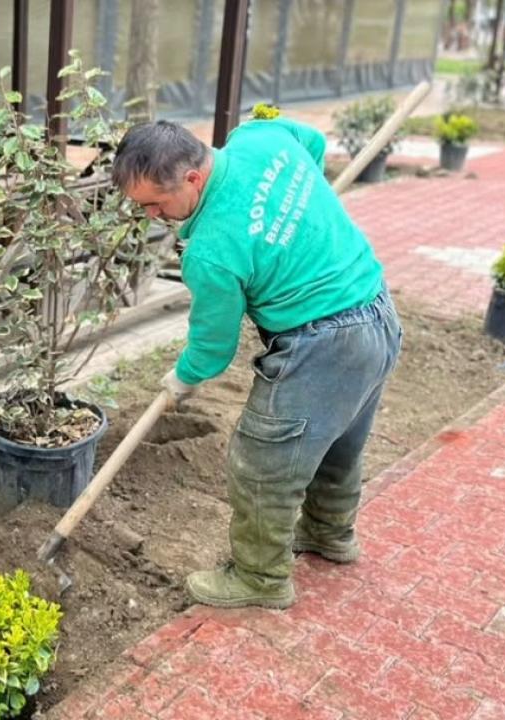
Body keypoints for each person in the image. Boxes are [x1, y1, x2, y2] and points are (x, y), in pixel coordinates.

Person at [111, 118, 402, 609]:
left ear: (193, 178)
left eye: (156, 205)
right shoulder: (260, 139)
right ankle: (330, 536)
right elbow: (310, 142)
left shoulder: (210, 251)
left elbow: (214, 345)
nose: (152, 216)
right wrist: (289, 217)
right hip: (377, 315)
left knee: (261, 464)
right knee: (336, 443)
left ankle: (260, 578)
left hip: (322, 342)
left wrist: (182, 379)